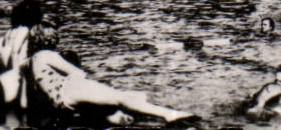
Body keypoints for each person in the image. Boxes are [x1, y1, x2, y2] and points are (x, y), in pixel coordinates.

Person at [24, 23, 193, 124]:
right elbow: (77, 73)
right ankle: (167, 114)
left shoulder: (31, 60)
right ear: (52, 39)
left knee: (111, 100)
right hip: (68, 90)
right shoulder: (47, 54)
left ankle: (115, 115)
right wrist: (85, 86)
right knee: (120, 98)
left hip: (58, 103)